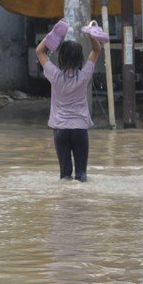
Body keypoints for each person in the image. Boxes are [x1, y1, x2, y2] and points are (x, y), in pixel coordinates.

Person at [35, 31, 103, 181]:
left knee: (65, 175)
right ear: (80, 58)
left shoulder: (55, 75)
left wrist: (53, 33)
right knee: (81, 175)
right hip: (80, 129)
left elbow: (39, 51)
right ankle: (81, 201)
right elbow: (97, 50)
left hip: (60, 130)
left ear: (61, 57)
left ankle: (66, 201)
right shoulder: (84, 75)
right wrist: (91, 35)